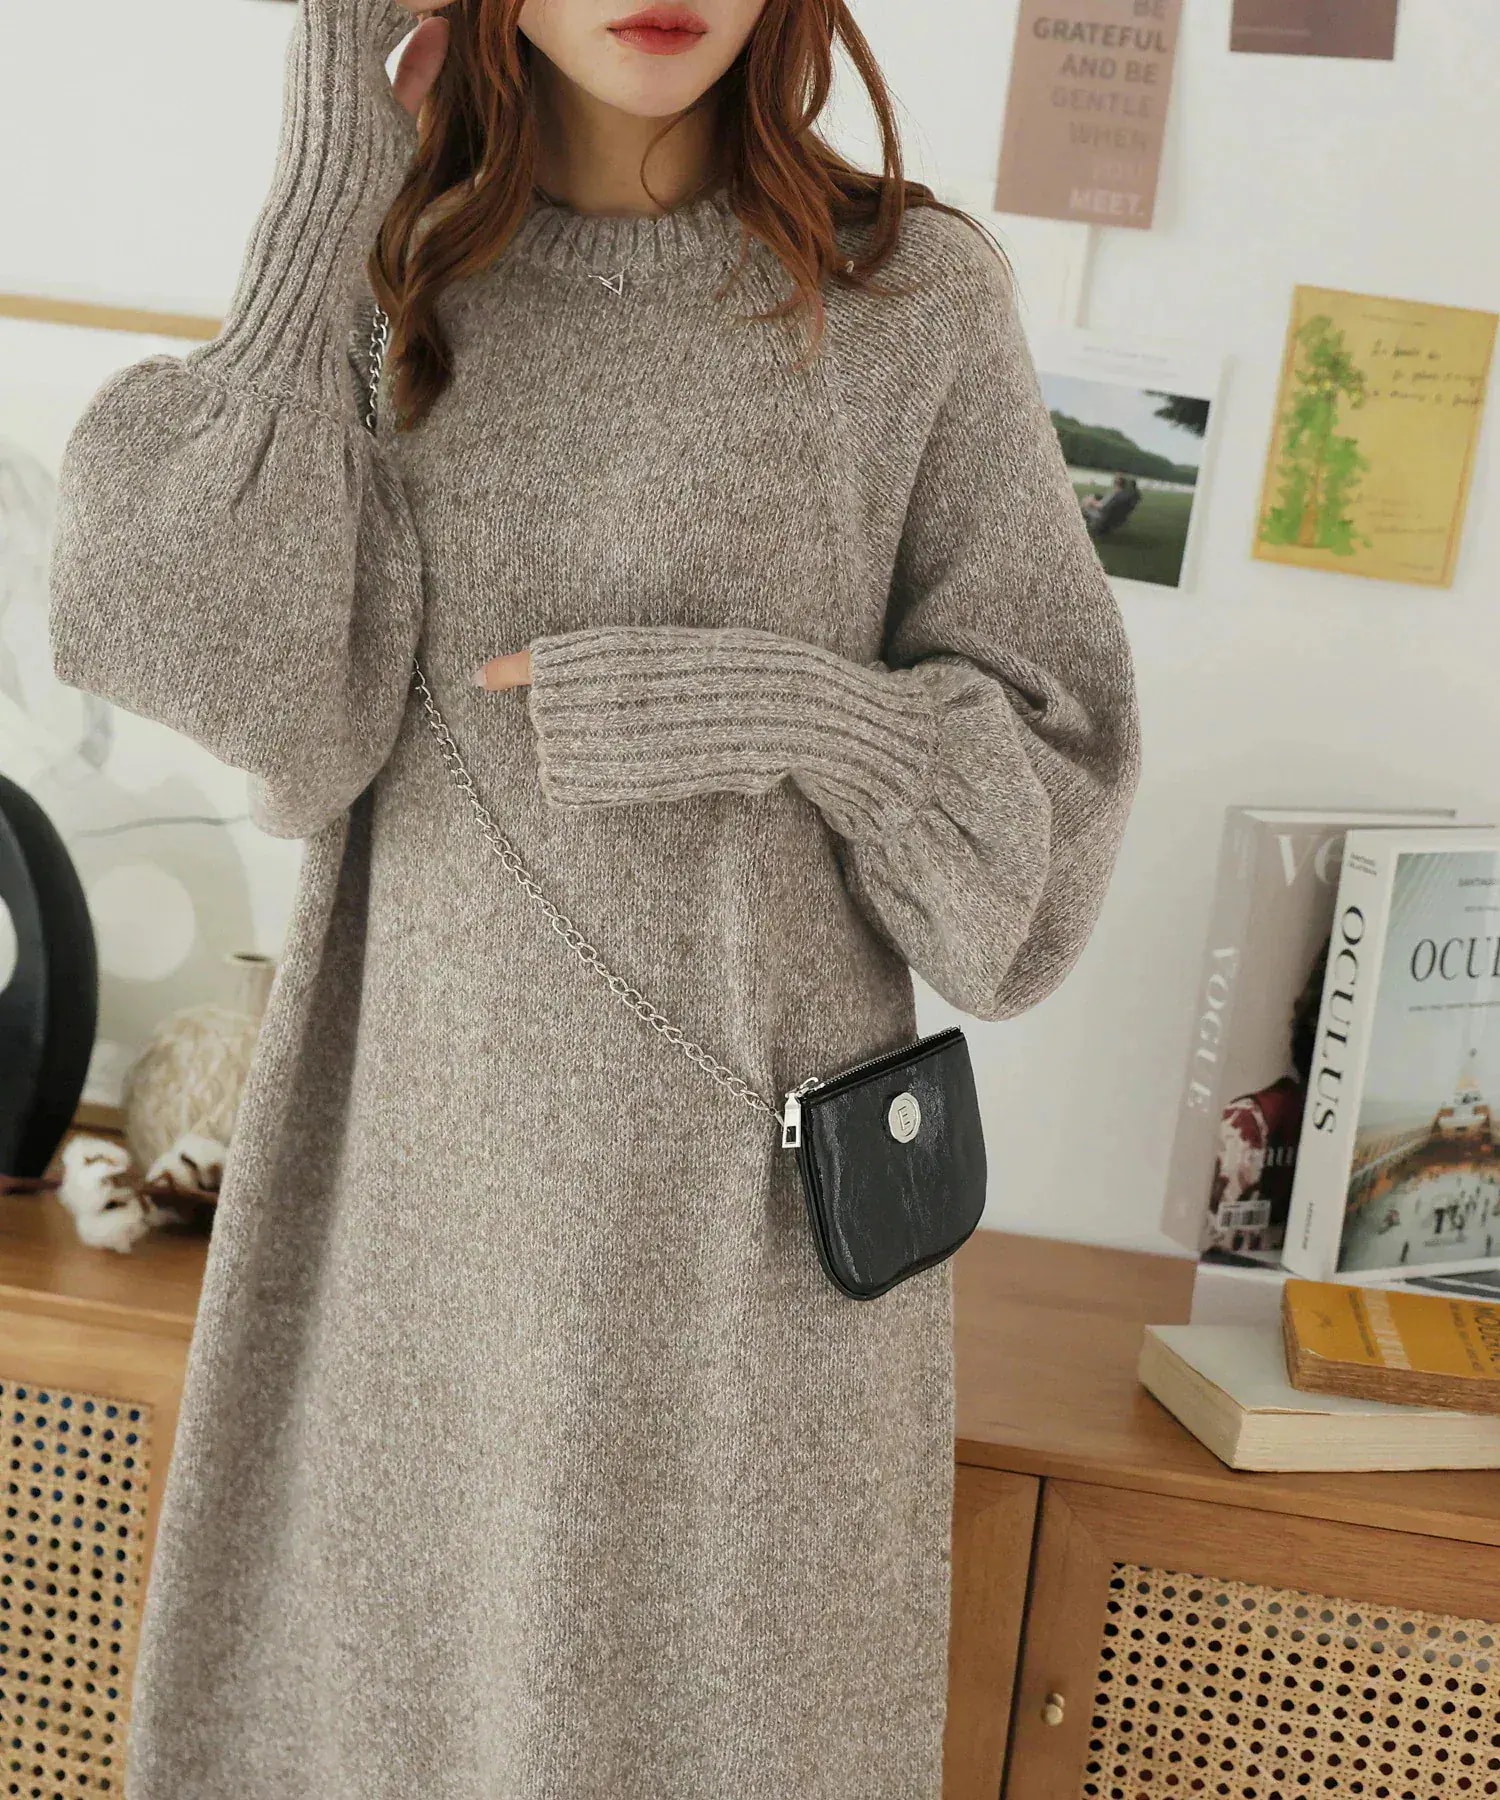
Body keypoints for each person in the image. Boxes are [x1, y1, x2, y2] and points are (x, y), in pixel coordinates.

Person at [45, 0, 1142, 1794]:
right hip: (408, 1264)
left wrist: (782, 708)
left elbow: (1039, 869)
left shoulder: (911, 302)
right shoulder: (387, 286)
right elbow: (210, 653)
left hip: (750, 1304)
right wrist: (332, 168)